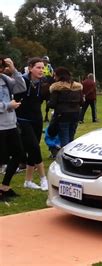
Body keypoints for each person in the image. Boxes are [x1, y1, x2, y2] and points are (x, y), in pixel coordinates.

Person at [12, 57, 49, 191]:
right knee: (34, 147)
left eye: (42, 67)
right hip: (23, 120)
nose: (41, 70)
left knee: (34, 149)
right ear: (30, 68)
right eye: (38, 67)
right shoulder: (21, 81)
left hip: (37, 119)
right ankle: (43, 178)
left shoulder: (43, 82)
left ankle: (28, 181)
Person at [0, 56, 27, 200]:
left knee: (18, 154)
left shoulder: (4, 78)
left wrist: (14, 70)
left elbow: (21, 87)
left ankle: (5, 186)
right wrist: (8, 106)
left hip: (10, 124)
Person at [48, 67, 83, 147]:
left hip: (62, 115)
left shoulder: (56, 88)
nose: (54, 77)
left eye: (55, 75)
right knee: (71, 137)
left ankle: (66, 156)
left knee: (64, 138)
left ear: (59, 76)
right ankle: (71, 153)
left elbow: (52, 104)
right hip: (75, 114)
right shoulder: (77, 87)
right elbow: (82, 102)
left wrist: (48, 103)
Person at [42, 56, 54, 122]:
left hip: (48, 78)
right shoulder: (41, 65)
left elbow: (52, 73)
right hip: (41, 78)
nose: (44, 62)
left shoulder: (49, 66)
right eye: (44, 61)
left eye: (45, 61)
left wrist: (50, 75)